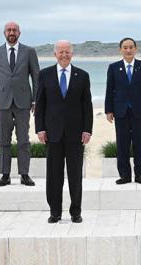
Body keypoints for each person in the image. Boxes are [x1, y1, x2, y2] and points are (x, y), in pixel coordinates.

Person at [35, 40, 93, 223]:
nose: (64, 55)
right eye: (61, 52)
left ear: (72, 54)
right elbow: (40, 105)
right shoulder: (44, 75)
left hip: (76, 134)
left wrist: (87, 129)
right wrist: (40, 129)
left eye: (67, 51)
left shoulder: (82, 76)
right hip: (52, 133)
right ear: (55, 54)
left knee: (75, 175)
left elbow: (87, 106)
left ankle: (76, 212)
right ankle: (55, 212)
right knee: (54, 175)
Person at [0, 21, 39, 187]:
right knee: (3, 140)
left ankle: (24, 175)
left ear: (19, 33)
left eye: (14, 30)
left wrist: (36, 100)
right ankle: (5, 175)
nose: (11, 32)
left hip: (23, 103)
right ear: (4, 33)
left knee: (23, 140)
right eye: (9, 30)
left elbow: (36, 77)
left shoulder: (29, 52)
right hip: (2, 103)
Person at [105, 37, 141, 185]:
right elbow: (109, 90)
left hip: (139, 111)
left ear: (135, 49)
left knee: (139, 144)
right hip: (120, 111)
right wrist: (109, 110)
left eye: (131, 47)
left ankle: (140, 175)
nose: (128, 50)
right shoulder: (113, 67)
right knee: (122, 144)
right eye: (125, 47)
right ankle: (125, 175)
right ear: (120, 50)